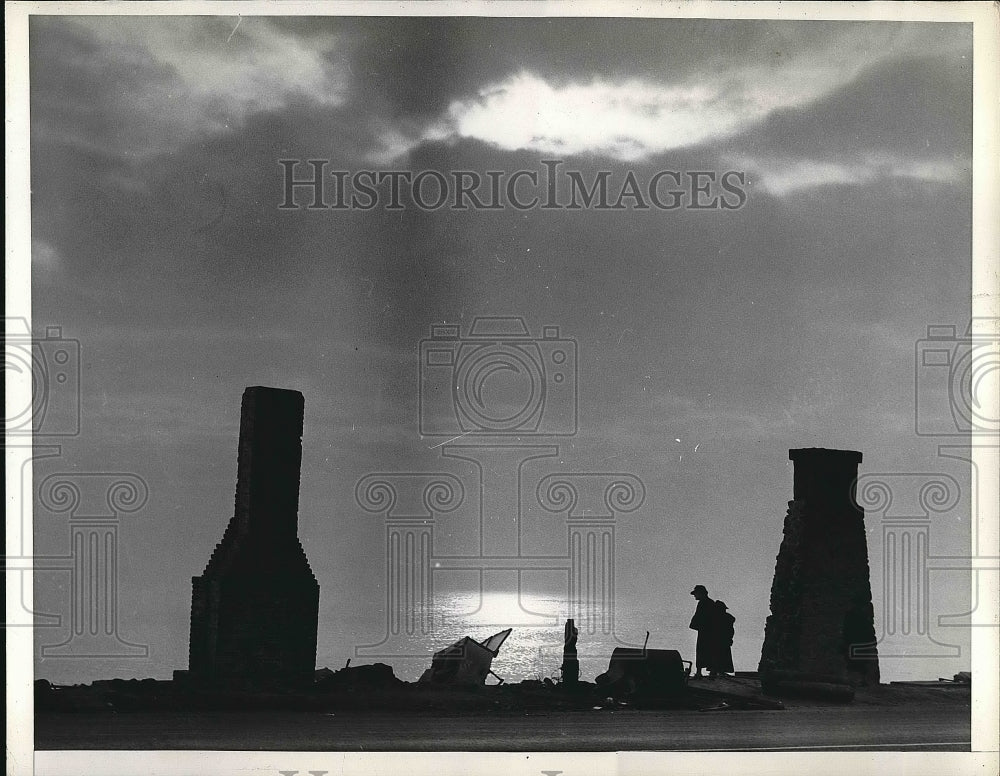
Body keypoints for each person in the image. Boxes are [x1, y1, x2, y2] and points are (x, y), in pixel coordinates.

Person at [688, 584, 715, 678]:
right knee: (710, 651)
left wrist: (694, 625)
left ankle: (699, 672)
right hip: (710, 632)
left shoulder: (703, 603)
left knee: (701, 651)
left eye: (696, 594)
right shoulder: (711, 603)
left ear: (701, 593)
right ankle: (711, 673)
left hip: (704, 631)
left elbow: (699, 617)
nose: (695, 596)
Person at [709, 600, 735, 678]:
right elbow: (730, 631)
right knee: (722, 656)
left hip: (717, 640)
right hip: (724, 640)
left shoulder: (714, 618)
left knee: (716, 656)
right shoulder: (727, 618)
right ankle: (719, 671)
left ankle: (715, 671)